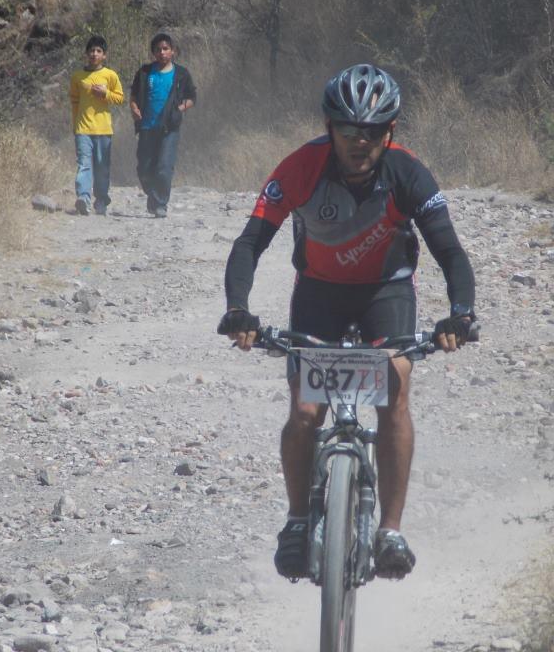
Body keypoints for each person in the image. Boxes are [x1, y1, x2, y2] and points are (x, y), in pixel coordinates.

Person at [217, 63, 476, 581]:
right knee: (306, 411)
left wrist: (461, 313)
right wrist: (238, 308)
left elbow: (449, 249)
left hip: (387, 292)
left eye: (375, 131)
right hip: (319, 293)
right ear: (329, 126)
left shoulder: (408, 172)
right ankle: (296, 522)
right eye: (350, 130)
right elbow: (250, 242)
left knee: (395, 391)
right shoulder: (300, 167)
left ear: (391, 132)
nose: (362, 142)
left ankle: (391, 529)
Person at [129, 33, 197, 218]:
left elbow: (192, 97)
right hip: (147, 127)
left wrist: (180, 109)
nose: (162, 52)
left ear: (173, 51)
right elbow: (134, 95)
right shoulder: (144, 72)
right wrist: (134, 109)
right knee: (144, 168)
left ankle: (160, 204)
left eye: (166, 48)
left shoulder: (181, 74)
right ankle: (153, 195)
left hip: (170, 128)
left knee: (164, 167)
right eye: (158, 49)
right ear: (153, 52)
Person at [70, 34, 125, 216]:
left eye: (98, 51)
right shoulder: (78, 77)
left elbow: (120, 98)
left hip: (103, 129)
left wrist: (105, 94)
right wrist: (74, 124)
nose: (94, 54)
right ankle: (83, 198)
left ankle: (101, 199)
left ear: (104, 55)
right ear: (86, 53)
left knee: (101, 167)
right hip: (83, 129)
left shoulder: (110, 75)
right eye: (91, 50)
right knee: (84, 164)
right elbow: (75, 102)